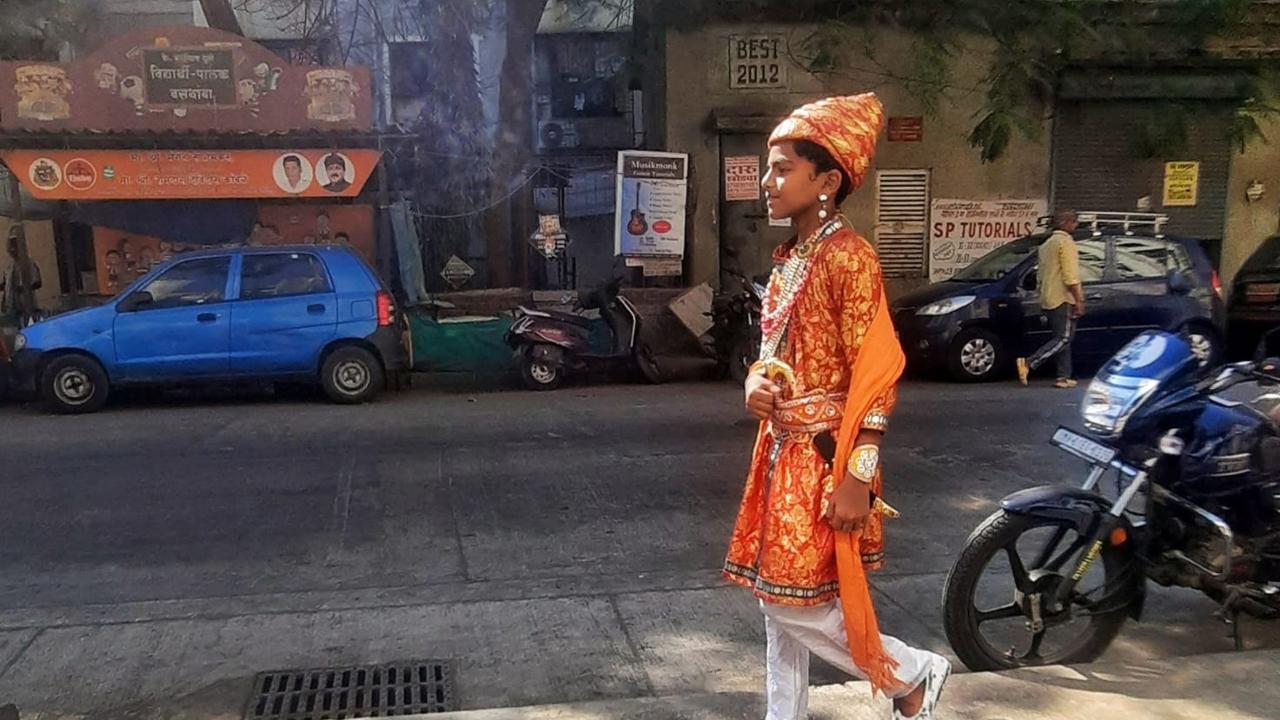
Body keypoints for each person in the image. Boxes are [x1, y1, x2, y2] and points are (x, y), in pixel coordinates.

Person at [725, 93, 950, 720]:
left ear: (826, 182)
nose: (767, 182)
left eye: (782, 169)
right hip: (780, 451)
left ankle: (910, 673)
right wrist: (754, 383)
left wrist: (858, 476)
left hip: (826, 457)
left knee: (788, 603)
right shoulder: (790, 258)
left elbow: (875, 374)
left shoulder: (849, 257)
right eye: (768, 168)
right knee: (780, 599)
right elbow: (770, 353)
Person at [1017, 210, 1084, 389]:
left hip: (1048, 297)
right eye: (1074, 221)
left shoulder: (1046, 245)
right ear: (1066, 223)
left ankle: (1063, 376)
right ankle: (1029, 363)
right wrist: (1078, 300)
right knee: (1064, 338)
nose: (1076, 225)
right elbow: (1070, 276)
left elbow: (1040, 276)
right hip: (1063, 297)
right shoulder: (1066, 243)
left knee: (1060, 337)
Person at [1, 227, 43, 326]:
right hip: (13, 309)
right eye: (11, 245)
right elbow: (6, 285)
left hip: (28, 308)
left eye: (15, 245)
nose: (12, 249)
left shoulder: (28, 263)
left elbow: (38, 282)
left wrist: (23, 288)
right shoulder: (10, 267)